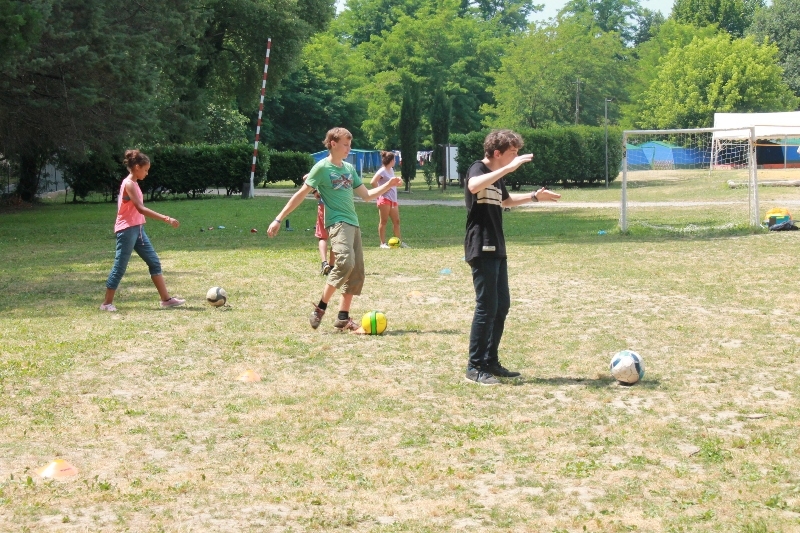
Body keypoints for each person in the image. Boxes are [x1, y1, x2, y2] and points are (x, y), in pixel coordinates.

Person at [268, 127, 402, 332]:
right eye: (345, 144)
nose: (349, 148)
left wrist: (388, 185)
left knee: (357, 271)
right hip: (337, 223)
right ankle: (320, 308)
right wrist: (278, 219)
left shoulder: (348, 168)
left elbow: (366, 195)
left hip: (353, 222)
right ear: (333, 144)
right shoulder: (322, 168)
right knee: (345, 262)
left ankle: (343, 317)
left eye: (350, 144)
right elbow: (301, 194)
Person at [464, 130, 560, 385]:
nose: (516, 157)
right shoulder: (479, 169)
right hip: (481, 245)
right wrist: (508, 169)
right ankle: (475, 366)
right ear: (497, 153)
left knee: (501, 305)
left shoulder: (496, 178)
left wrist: (534, 197)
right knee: (486, 306)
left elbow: (505, 201)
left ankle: (490, 360)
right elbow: (473, 186)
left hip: (497, 245)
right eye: (512, 153)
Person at [100, 150, 185, 311]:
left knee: (154, 262)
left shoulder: (135, 183)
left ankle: (166, 299)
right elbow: (140, 208)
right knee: (120, 266)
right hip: (126, 230)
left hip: (138, 229)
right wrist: (166, 218)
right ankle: (106, 304)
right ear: (137, 167)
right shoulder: (129, 184)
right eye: (145, 170)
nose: (147, 173)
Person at [370, 150, 408, 248]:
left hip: (393, 200)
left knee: (397, 221)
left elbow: (392, 183)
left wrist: (398, 182)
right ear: (391, 160)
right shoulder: (382, 170)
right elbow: (373, 182)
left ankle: (399, 242)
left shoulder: (391, 170)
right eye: (394, 160)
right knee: (384, 221)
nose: (395, 161)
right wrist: (379, 192)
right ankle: (382, 243)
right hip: (384, 199)